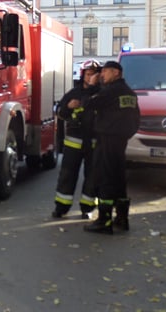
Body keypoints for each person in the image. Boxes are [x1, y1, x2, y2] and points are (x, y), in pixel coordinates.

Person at [83, 60, 140, 234]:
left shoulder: (110, 92)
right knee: (119, 179)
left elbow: (89, 104)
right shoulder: (129, 93)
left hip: (107, 139)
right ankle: (122, 218)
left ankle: (104, 220)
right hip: (120, 140)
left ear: (116, 73)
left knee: (105, 178)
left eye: (106, 72)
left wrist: (91, 87)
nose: (101, 75)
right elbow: (136, 119)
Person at [51, 59, 101, 219]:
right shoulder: (73, 93)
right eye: (88, 74)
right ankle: (61, 207)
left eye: (94, 74)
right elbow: (58, 111)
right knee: (67, 174)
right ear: (82, 75)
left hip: (94, 142)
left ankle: (87, 208)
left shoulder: (102, 93)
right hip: (74, 142)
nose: (91, 77)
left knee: (93, 177)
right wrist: (67, 107)